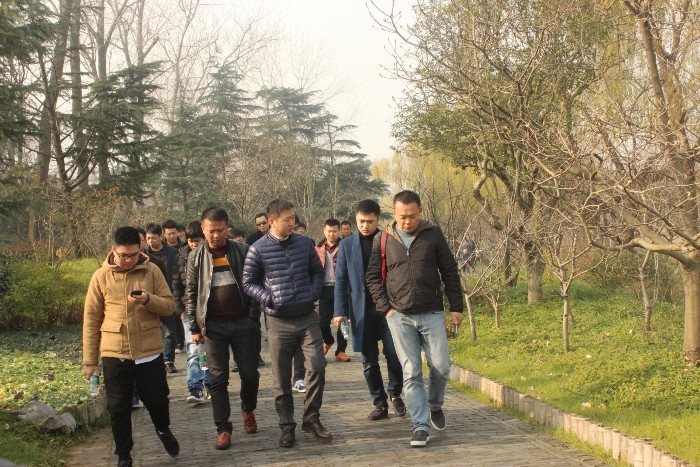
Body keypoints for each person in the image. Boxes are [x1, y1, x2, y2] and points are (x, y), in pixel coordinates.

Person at [366, 190, 464, 448]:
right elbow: (373, 277)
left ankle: (435, 405)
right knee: (411, 371)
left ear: (420, 211)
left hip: (431, 312)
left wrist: (456, 306)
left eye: (412, 216)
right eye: (402, 216)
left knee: (441, 366)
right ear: (394, 214)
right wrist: (386, 309)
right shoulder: (383, 239)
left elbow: (449, 270)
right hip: (399, 316)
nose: (407, 221)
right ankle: (420, 425)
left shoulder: (433, 234)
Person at [82, 227, 179, 467]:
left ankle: (163, 430)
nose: (128, 260)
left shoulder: (151, 270)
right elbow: (91, 319)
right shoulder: (101, 276)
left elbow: (169, 306)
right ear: (113, 250)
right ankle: (124, 455)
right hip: (115, 352)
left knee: (158, 401)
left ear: (141, 249)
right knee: (118, 408)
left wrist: (148, 300)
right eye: (123, 255)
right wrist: (90, 361)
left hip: (148, 352)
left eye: (134, 255)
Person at [242, 198, 331, 448]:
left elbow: (317, 271)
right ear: (272, 221)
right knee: (281, 379)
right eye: (287, 219)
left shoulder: (304, 243)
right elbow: (248, 282)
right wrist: (269, 299)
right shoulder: (257, 249)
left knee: (318, 365)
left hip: (307, 316)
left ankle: (311, 418)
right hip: (278, 321)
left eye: (293, 217)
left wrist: (312, 293)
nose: (292, 223)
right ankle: (287, 426)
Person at [186, 207, 261, 451]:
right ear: (203, 229)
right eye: (211, 231)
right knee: (218, 379)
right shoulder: (196, 257)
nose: (216, 235)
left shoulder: (243, 251)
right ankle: (223, 428)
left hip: (242, 324)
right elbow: (191, 293)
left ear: (228, 228)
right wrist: (195, 327)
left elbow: (254, 285)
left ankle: (248, 409)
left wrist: (252, 318)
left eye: (220, 230)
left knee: (250, 374)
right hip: (213, 327)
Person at [333, 199, 405, 420]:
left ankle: (395, 394)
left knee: (394, 354)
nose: (365, 226)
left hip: (389, 309)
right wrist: (340, 310)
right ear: (356, 220)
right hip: (361, 311)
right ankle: (379, 403)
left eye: (370, 221)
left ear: (378, 220)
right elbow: (341, 279)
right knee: (369, 360)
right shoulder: (347, 245)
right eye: (361, 221)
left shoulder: (389, 240)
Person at [172, 221, 209, 404]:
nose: (194, 244)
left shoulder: (212, 256)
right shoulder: (181, 258)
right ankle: (195, 386)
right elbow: (176, 285)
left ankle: (210, 383)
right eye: (190, 241)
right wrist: (180, 309)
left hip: (210, 312)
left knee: (209, 350)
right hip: (189, 312)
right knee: (193, 350)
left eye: (197, 240)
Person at [145, 223, 180, 373]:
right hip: (149, 297)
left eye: (153, 238)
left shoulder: (173, 253)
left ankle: (168, 360)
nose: (150, 241)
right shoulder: (143, 256)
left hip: (168, 295)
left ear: (161, 236)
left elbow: (177, 275)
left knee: (169, 331)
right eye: (148, 238)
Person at [315, 218, 350, 362]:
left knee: (343, 321)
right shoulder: (317, 249)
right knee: (322, 322)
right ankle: (328, 340)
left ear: (339, 231)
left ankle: (341, 351)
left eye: (334, 231)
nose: (331, 234)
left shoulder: (345, 246)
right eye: (329, 231)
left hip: (342, 288)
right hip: (325, 289)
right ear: (324, 231)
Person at [163, 219, 186, 353]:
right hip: (167, 285)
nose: (171, 236)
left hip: (181, 284)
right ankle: (178, 342)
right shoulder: (163, 249)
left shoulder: (184, 247)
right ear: (164, 234)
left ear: (177, 232)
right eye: (169, 234)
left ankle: (181, 340)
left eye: (173, 233)